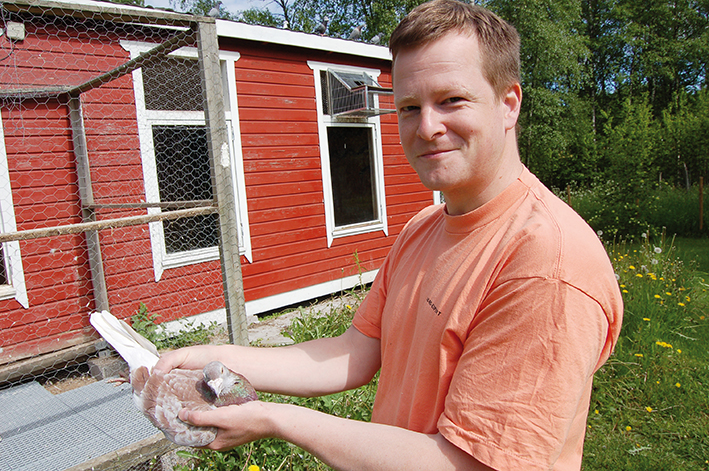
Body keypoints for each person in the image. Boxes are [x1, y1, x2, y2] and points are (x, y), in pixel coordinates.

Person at [154, 0, 623, 469]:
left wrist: (279, 420)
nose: (427, 127)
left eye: (451, 100)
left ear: (508, 104)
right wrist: (211, 354)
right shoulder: (424, 227)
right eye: (409, 107)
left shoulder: (547, 265)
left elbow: (470, 464)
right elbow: (353, 353)